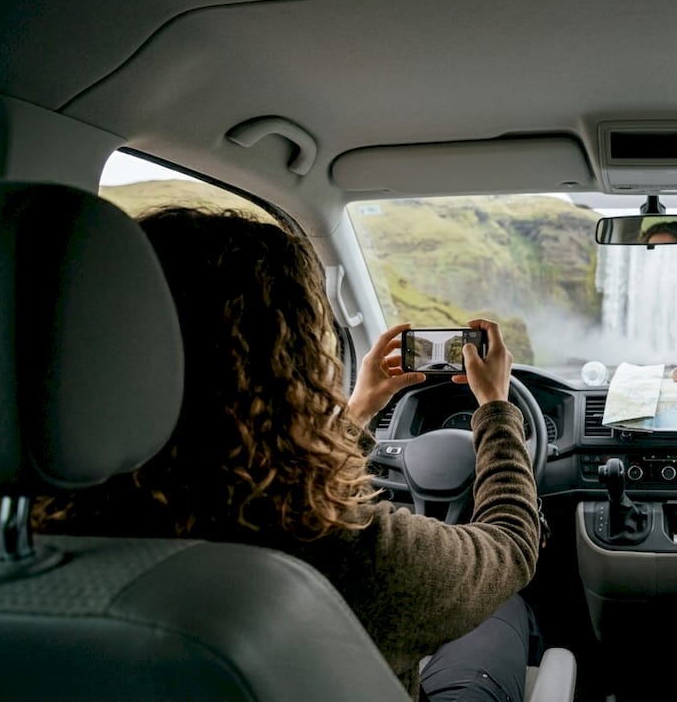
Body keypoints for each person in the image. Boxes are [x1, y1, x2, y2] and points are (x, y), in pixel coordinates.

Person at [32, 206, 542, 702]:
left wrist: (360, 408)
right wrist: (495, 408)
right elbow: (512, 547)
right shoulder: (342, 548)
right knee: (503, 610)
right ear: (291, 366)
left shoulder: (34, 540)